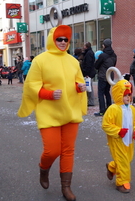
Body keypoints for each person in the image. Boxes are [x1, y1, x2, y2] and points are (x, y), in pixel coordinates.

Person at [17, 25, 87, 201]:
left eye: (66, 39)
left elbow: (78, 82)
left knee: (68, 150)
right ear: (52, 39)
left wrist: (81, 88)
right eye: (59, 39)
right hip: (49, 112)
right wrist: (47, 93)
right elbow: (31, 85)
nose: (63, 42)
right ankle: (43, 169)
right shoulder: (40, 60)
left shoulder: (73, 61)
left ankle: (66, 187)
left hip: (70, 112)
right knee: (52, 150)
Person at [102, 72, 135, 193]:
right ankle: (122, 182)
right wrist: (118, 131)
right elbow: (106, 125)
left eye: (129, 95)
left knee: (127, 159)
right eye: (125, 95)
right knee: (123, 161)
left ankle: (111, 167)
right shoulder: (113, 109)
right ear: (118, 95)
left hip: (129, 140)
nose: (128, 98)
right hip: (117, 140)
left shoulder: (132, 109)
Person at [94, 38, 117, 116]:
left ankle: (102, 110)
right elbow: (113, 65)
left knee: (100, 93)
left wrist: (96, 61)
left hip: (103, 76)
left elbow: (96, 66)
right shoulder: (114, 55)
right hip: (110, 76)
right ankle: (109, 108)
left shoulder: (103, 55)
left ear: (104, 45)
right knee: (107, 92)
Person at [81, 42, 96, 106]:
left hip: (88, 73)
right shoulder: (89, 52)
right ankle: (89, 100)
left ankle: (91, 101)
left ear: (86, 46)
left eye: (84, 45)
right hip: (89, 72)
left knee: (89, 87)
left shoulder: (89, 53)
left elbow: (88, 64)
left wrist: (87, 73)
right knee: (89, 86)